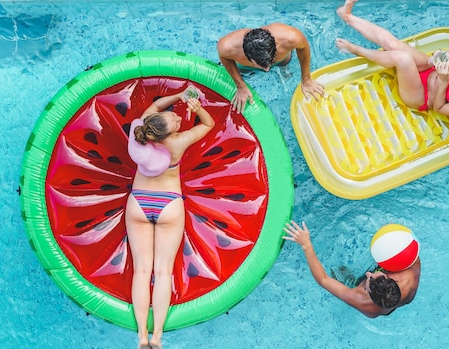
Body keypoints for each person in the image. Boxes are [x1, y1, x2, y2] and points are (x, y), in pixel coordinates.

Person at [125, 87, 215, 349]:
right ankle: (156, 337)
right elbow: (208, 124)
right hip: (168, 204)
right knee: (162, 273)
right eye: (174, 121)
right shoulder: (178, 141)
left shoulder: (140, 132)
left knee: (142, 271)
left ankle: (142, 336)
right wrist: (196, 109)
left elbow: (153, 110)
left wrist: (177, 97)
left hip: (139, 202)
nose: (177, 119)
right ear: (168, 133)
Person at [335, 0, 449, 117]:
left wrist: (444, 81)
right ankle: (347, 16)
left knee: (402, 59)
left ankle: (357, 50)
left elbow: (438, 108)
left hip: (421, 95)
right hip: (431, 68)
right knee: (393, 43)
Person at [283, 221, 420, 318]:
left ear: (368, 294)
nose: (368, 273)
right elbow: (410, 249)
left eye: (368, 282)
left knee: (339, 273)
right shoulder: (411, 275)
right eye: (374, 275)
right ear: (391, 278)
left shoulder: (364, 303)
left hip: (382, 303)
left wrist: (306, 244)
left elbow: (323, 279)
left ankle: (351, 281)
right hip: (393, 300)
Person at [217, 22, 325, 113]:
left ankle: (282, 68)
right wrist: (240, 86)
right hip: (247, 66)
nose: (267, 70)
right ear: (247, 55)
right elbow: (224, 57)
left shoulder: (291, 38)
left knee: (284, 64)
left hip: (282, 60)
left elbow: (304, 47)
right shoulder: (228, 47)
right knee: (233, 70)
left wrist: (306, 79)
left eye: (270, 63)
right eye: (260, 65)